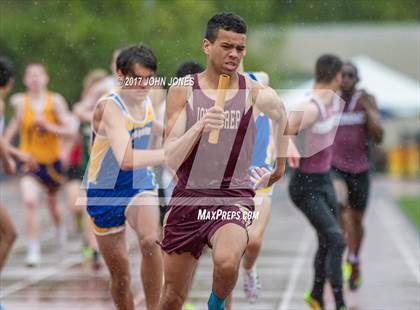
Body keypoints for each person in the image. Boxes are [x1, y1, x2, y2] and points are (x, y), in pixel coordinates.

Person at [159, 12, 288, 310]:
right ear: (207, 46)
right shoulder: (183, 90)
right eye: (226, 46)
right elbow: (171, 156)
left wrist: (278, 169)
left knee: (228, 262)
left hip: (233, 195)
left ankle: (215, 305)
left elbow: (282, 115)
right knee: (172, 298)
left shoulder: (252, 92)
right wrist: (200, 126)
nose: (234, 54)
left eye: (240, 49)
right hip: (189, 198)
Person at [86, 44, 164, 310]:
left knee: (150, 240)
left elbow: (155, 126)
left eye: (149, 80)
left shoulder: (147, 99)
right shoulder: (110, 107)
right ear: (120, 75)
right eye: (137, 80)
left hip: (139, 184)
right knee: (121, 277)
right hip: (105, 192)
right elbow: (127, 160)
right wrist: (170, 154)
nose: (144, 87)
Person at [286, 54, 347, 310]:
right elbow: (282, 128)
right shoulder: (310, 107)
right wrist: (288, 144)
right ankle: (340, 303)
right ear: (337, 77)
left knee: (327, 240)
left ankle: (316, 296)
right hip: (305, 185)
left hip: (324, 181)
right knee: (336, 240)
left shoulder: (332, 102)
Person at [4, 61, 73, 267]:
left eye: (38, 75)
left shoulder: (55, 102)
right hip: (30, 163)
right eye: (30, 75)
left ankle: (60, 235)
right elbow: (11, 130)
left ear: (45, 78)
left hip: (52, 164)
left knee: (54, 207)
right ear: (25, 80)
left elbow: (70, 131)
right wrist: (5, 151)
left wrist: (49, 126)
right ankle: (33, 249)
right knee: (29, 201)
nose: (34, 79)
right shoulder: (19, 103)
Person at [332, 61, 383, 290]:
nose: (346, 79)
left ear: (357, 79)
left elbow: (379, 136)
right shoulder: (330, 100)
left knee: (357, 221)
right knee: (341, 208)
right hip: (335, 167)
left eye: (351, 75)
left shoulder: (366, 101)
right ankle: (342, 250)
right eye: (342, 75)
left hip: (360, 169)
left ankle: (353, 259)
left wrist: (370, 110)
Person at [67, 69, 107, 267]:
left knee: (91, 208)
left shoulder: (109, 113)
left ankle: (94, 249)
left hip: (102, 168)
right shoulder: (83, 112)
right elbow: (78, 112)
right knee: (79, 207)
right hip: (81, 165)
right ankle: (90, 243)